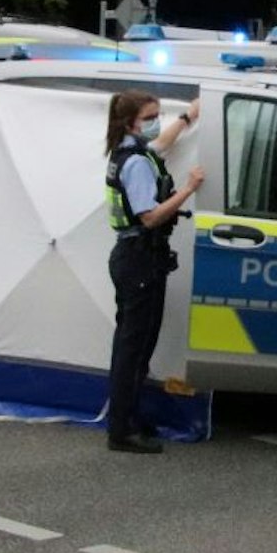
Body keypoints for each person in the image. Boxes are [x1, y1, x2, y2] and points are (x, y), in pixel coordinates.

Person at [103, 90, 205, 454]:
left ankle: (128, 418)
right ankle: (122, 431)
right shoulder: (136, 163)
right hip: (140, 259)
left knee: (134, 346)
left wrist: (188, 117)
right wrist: (189, 189)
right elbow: (150, 217)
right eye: (151, 116)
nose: (156, 121)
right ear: (131, 121)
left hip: (133, 258)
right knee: (135, 347)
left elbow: (160, 143)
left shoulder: (131, 152)